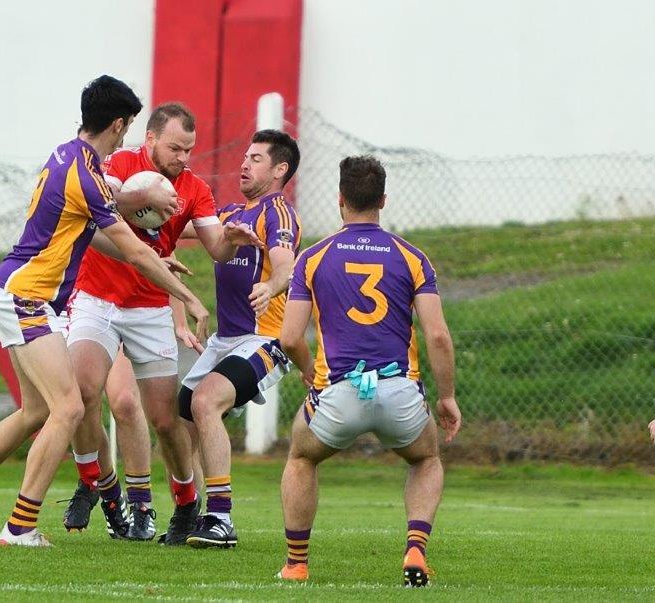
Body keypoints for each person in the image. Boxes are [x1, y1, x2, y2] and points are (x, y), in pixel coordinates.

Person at [0, 76, 208, 547]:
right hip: (27, 296)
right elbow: (132, 251)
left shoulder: (67, 155)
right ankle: (20, 526)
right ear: (118, 124)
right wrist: (190, 296)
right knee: (69, 406)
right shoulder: (88, 175)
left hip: (17, 290)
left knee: (36, 409)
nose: (125, 136)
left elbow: (92, 236)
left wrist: (156, 258)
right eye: (127, 127)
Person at [61, 102, 263, 544]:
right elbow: (96, 199)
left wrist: (231, 240)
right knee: (82, 391)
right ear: (150, 139)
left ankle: (186, 503)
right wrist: (142, 196)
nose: (183, 158)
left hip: (151, 306)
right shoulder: (118, 162)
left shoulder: (194, 189)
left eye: (189, 149)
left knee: (166, 420)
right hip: (96, 296)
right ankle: (97, 484)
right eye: (175, 147)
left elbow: (215, 248)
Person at [275, 155, 462, 584]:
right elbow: (437, 336)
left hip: (339, 392)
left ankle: (297, 564)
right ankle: (415, 550)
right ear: (383, 200)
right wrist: (447, 396)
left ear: (340, 200)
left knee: (302, 457)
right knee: (427, 458)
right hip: (399, 391)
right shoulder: (412, 257)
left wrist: (308, 371)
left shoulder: (313, 258)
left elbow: (289, 339)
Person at [176, 130, 303, 549]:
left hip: (264, 339)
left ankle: (221, 518)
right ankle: (192, 512)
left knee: (205, 401)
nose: (244, 164)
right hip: (225, 340)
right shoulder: (231, 212)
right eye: (245, 156)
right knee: (180, 417)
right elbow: (179, 229)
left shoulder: (278, 213)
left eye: (256, 158)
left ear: (280, 169)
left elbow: (287, 265)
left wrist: (273, 285)